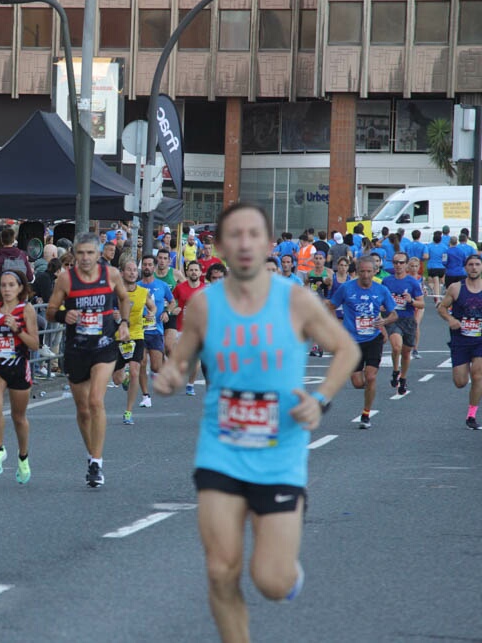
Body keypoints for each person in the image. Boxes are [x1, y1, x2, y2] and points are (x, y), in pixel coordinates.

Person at [154, 204, 360, 643]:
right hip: (221, 448)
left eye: (254, 235)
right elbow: (182, 360)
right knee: (219, 570)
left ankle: (286, 573)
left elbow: (346, 349)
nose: (245, 243)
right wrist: (171, 375)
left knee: (271, 581)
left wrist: (320, 400)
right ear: (220, 247)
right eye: (235, 235)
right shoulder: (205, 305)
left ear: (268, 244)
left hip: (279, 455)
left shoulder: (296, 300)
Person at [45, 232, 130, 488]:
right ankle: (91, 452)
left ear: (98, 254)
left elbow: (124, 298)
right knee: (82, 409)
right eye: (80, 253)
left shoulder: (111, 275)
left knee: (95, 400)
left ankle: (97, 462)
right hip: (76, 349)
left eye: (90, 253)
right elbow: (50, 311)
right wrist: (64, 315)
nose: (85, 258)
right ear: (75, 254)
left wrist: (123, 323)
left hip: (103, 347)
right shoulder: (66, 279)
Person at [0, 270, 39, 483]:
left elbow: (35, 344)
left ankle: (23, 457)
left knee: (18, 417)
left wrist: (17, 329)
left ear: (20, 288)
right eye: (3, 285)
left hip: (19, 367)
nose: (7, 289)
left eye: (11, 285)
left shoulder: (26, 310)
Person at [329, 256, 398, 429]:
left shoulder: (381, 290)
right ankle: (369, 389)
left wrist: (384, 322)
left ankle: (366, 413)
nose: (366, 275)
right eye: (362, 271)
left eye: (369, 271)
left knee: (371, 376)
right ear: (357, 272)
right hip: (352, 342)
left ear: (375, 271)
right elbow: (330, 306)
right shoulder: (346, 288)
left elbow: (394, 314)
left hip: (373, 338)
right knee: (358, 382)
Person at [437, 254, 482, 430]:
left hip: (480, 340)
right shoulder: (456, 288)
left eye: (477, 264)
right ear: (465, 268)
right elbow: (441, 308)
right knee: (460, 382)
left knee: (478, 375)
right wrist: (450, 319)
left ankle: (471, 414)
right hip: (461, 340)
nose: (474, 268)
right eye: (470, 264)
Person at [112, 259, 154, 425]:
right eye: (128, 270)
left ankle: (128, 411)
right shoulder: (116, 292)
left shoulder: (143, 292)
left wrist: (152, 314)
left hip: (136, 335)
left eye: (134, 270)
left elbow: (152, 307)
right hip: (118, 337)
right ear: (122, 273)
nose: (131, 273)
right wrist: (114, 316)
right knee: (117, 379)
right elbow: (106, 309)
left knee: (136, 369)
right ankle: (125, 378)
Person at [381, 252, 424, 396]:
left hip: (408, 319)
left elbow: (422, 304)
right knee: (396, 346)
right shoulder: (387, 281)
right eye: (395, 262)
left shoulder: (412, 282)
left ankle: (403, 378)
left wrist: (411, 300)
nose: (398, 265)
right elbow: (381, 301)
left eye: (401, 262)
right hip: (393, 318)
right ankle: (395, 370)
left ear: (406, 264)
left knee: (406, 352)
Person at [137, 253, 175, 409]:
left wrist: (167, 312)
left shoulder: (162, 285)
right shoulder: (137, 285)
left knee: (155, 367)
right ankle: (145, 395)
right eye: (144, 264)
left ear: (153, 267)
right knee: (142, 363)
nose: (147, 267)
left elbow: (172, 301)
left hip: (156, 330)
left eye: (149, 265)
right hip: (139, 330)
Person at [173, 260, 206, 395]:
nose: (193, 272)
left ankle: (190, 384)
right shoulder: (180, 288)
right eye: (191, 270)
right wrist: (173, 309)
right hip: (180, 327)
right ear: (187, 272)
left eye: (196, 270)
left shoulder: (205, 289)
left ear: (200, 272)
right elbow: (170, 301)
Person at [425, 230, 448, 304]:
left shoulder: (429, 246)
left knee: (432, 282)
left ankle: (437, 296)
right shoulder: (444, 247)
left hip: (432, 266)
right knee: (439, 281)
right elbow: (445, 258)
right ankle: (437, 291)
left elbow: (427, 256)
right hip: (441, 266)